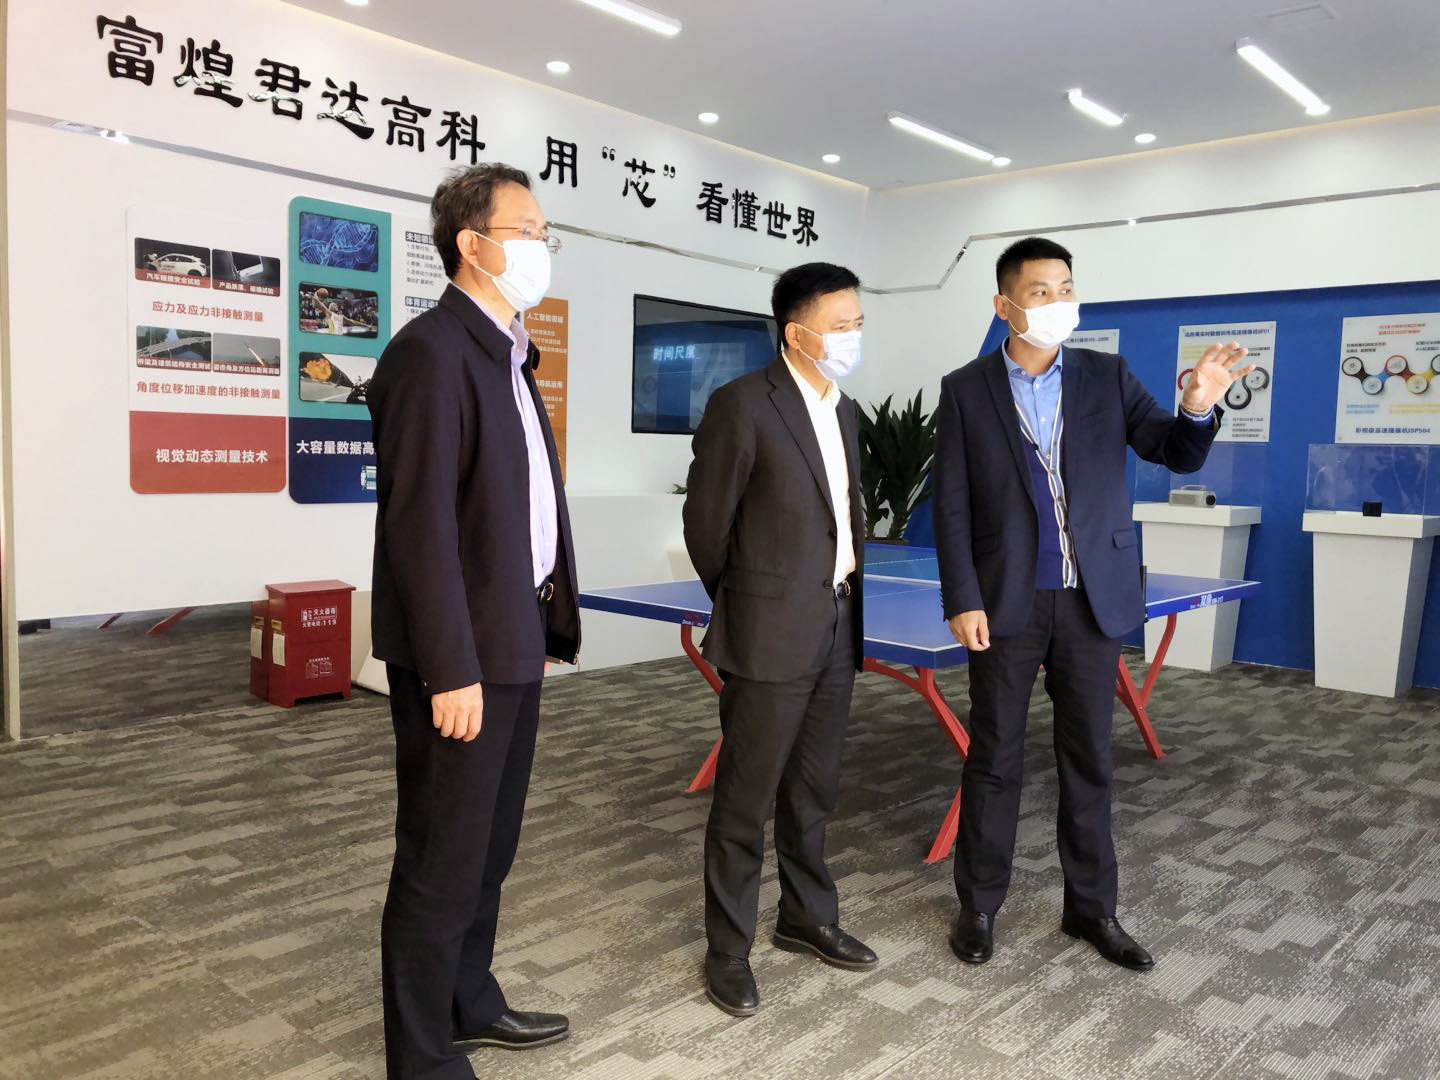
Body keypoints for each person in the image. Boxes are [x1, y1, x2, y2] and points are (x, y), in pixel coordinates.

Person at [933, 237, 1252, 973]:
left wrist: (1198, 405)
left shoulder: (1106, 376)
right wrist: (962, 598)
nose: (1058, 302)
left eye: (1066, 288)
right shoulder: (966, 388)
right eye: (1041, 291)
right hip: (1005, 602)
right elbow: (950, 503)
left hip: (1091, 601)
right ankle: (979, 905)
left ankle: (1092, 908)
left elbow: (1174, 450)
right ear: (1005, 305)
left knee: (1090, 759)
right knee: (994, 758)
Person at [368, 163, 580, 1079]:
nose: (542, 247)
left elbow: (516, 507)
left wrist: (543, 620)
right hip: (461, 657)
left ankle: (470, 1000)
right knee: (440, 855)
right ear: (472, 244)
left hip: (514, 636)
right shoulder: (431, 353)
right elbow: (419, 531)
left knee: (489, 846)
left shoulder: (508, 353)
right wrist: (449, 668)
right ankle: (421, 1057)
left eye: (543, 233)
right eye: (528, 232)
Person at [683, 262, 877, 1018]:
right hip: (769, 630)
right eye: (840, 325)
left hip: (838, 621)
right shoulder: (743, 404)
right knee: (745, 799)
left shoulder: (844, 410)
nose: (853, 335)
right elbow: (707, 527)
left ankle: (806, 917)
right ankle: (728, 950)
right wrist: (752, 605)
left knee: (814, 788)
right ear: (797, 334)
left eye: (858, 322)